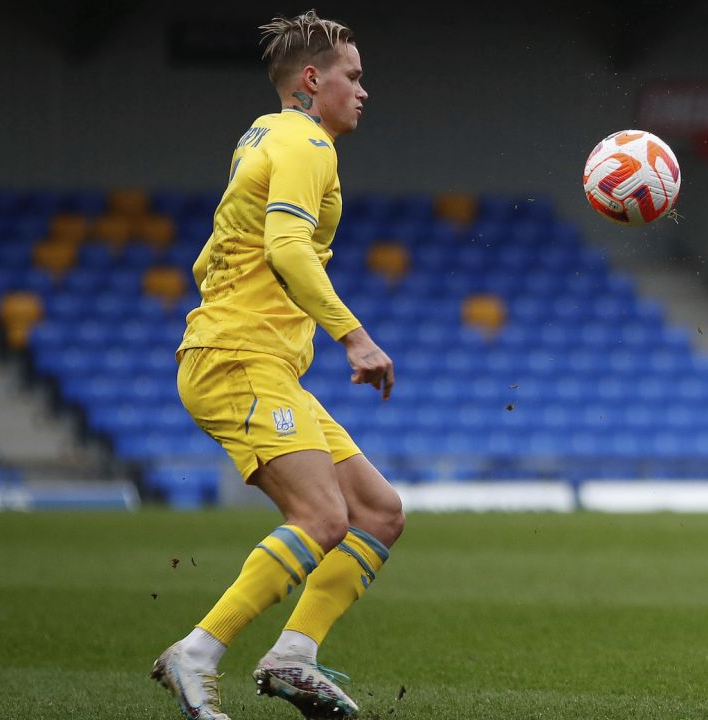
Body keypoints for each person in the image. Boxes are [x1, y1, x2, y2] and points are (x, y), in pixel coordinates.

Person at [150, 11, 403, 720]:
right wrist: (355, 337)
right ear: (313, 79)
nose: (363, 91)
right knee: (323, 515)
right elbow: (286, 246)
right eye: (352, 77)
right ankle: (197, 653)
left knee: (377, 513)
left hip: (262, 362)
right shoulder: (305, 142)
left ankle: (293, 656)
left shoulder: (267, 132)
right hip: (237, 356)